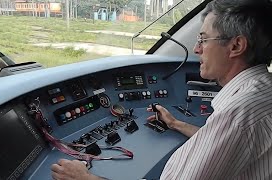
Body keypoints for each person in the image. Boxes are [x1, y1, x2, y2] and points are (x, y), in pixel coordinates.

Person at [51, 0, 272, 179]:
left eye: (203, 39)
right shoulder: (261, 92)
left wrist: (85, 178)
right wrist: (176, 124)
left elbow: (233, 133)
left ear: (236, 46)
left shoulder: (238, 113)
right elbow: (225, 146)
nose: (196, 49)